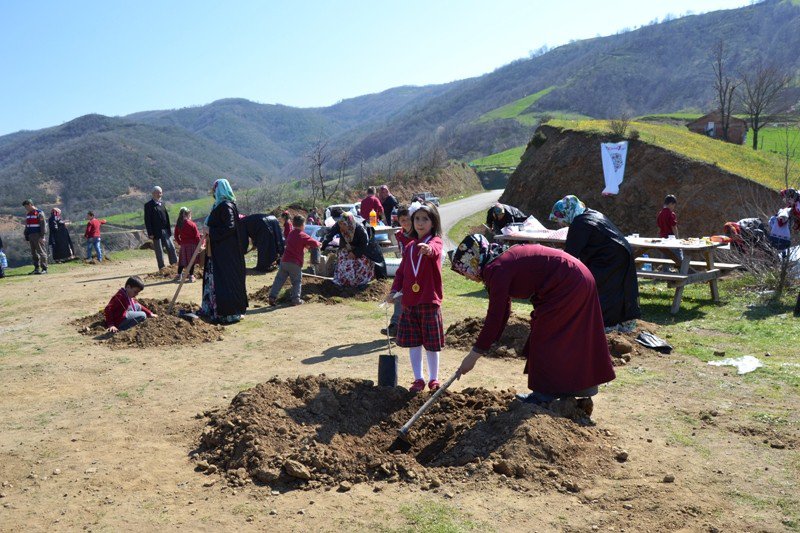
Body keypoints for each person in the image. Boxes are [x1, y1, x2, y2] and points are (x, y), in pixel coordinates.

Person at [453, 235, 615, 412]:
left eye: (465, 270)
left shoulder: (496, 269)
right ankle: (576, 389)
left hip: (568, 283)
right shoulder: (498, 263)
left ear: (474, 259)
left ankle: (543, 396)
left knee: (544, 337)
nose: (468, 277)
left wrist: (473, 356)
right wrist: (491, 342)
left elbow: (495, 315)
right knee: (567, 337)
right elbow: (503, 312)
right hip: (576, 277)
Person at [549, 195, 640, 332]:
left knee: (600, 290)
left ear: (567, 212)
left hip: (609, 258)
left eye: (560, 219)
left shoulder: (580, 223)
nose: (560, 224)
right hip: (619, 253)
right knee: (617, 290)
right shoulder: (590, 214)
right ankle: (620, 324)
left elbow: (570, 256)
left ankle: (604, 326)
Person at [385, 203, 444, 392]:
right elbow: (401, 274)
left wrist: (428, 249)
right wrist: (394, 291)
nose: (420, 223)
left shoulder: (435, 241)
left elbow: (434, 250)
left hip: (429, 300)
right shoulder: (409, 247)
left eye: (425, 219)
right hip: (410, 302)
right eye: (417, 219)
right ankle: (418, 379)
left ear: (433, 222)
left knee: (432, 345)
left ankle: (433, 379)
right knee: (414, 343)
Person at [200, 179, 248, 324]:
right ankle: (213, 309)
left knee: (226, 282)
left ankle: (228, 313)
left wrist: (210, 231)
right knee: (216, 280)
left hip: (226, 254)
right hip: (217, 252)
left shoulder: (226, 206)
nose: (213, 194)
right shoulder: (219, 206)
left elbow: (230, 228)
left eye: (215, 191)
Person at [268, 215, 321, 306]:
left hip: (284, 261)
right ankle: (296, 299)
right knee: (296, 281)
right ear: (302, 225)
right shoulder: (302, 234)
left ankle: (272, 297)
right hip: (295, 262)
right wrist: (320, 243)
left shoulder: (291, 234)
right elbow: (314, 243)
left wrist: (304, 246)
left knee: (279, 279)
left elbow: (296, 244)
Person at [321, 211, 385, 287]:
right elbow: (330, 234)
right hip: (349, 246)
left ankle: (358, 281)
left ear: (349, 223)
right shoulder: (339, 225)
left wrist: (355, 253)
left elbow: (364, 244)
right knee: (343, 259)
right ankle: (342, 280)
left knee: (360, 263)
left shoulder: (360, 229)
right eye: (340, 224)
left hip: (364, 248)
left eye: (344, 224)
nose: (341, 226)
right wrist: (323, 245)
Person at [382, 204, 414, 337]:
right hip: (405, 267)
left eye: (408, 219)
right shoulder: (400, 235)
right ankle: (395, 325)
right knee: (398, 295)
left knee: (404, 297)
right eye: (402, 220)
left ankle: (399, 326)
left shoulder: (418, 234)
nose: (406, 223)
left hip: (417, 269)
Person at [144, 186, 178, 270]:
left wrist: (169, 230)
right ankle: (162, 268)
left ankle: (174, 264)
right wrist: (150, 233)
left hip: (165, 230)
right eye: (158, 192)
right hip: (155, 232)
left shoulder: (162, 204)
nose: (160, 194)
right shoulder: (148, 205)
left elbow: (166, 217)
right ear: (153, 194)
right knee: (159, 251)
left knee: (171, 248)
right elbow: (147, 220)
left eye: (161, 192)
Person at [174, 207, 202, 282]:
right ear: (188, 215)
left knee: (182, 261)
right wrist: (200, 245)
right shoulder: (192, 224)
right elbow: (197, 236)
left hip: (183, 245)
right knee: (191, 261)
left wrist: (180, 242)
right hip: (192, 245)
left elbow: (176, 236)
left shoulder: (178, 224)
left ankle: (179, 275)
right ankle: (191, 276)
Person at [22, 199, 48, 274]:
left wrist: (42, 236)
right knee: (34, 253)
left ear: (30, 204)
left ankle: (44, 268)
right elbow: (27, 225)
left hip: (38, 235)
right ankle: (36, 268)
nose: (26, 208)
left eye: (26, 206)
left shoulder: (39, 213)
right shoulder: (28, 214)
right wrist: (26, 235)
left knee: (41, 252)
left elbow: (43, 226)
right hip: (31, 235)